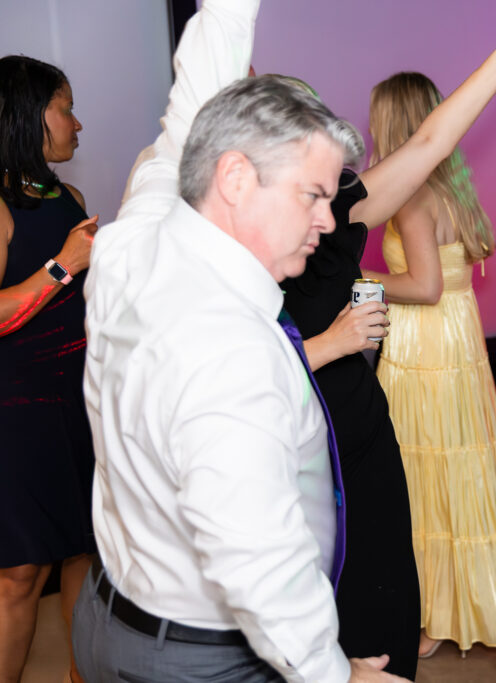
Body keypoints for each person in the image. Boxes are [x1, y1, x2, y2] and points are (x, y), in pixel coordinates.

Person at [73, 2, 402, 681]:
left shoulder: (137, 237)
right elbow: (260, 564)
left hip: (109, 619)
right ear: (235, 179)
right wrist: (335, 673)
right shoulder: (228, 351)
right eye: (312, 194)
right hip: (208, 657)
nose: (326, 217)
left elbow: (188, 111)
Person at [281, 0, 496, 668]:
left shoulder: (344, 207)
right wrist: (328, 344)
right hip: (300, 422)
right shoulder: (239, 237)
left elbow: (430, 143)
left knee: (385, 583)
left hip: (360, 417)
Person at [362, 70, 496, 657]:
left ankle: (430, 616)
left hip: (426, 347)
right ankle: (471, 601)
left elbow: (423, 287)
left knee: (423, 477)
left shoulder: (412, 196)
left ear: (392, 122)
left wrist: (360, 279)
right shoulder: (449, 188)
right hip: (456, 344)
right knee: (459, 470)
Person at [0, 54, 98, 683]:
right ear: (32, 115)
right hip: (15, 411)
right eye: (65, 106)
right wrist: (64, 263)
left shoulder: (72, 196)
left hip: (79, 401)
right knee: (18, 574)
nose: (77, 122)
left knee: (85, 557)